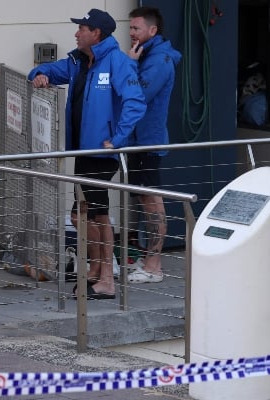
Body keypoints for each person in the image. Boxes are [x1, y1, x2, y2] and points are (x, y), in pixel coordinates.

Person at [28, 8, 146, 300]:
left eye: (81, 28)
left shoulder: (117, 62)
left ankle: (106, 278)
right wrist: (39, 74)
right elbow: (47, 69)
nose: (76, 33)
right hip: (83, 149)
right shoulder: (78, 61)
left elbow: (135, 103)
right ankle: (96, 270)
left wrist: (116, 139)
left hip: (101, 152)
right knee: (88, 213)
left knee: (93, 214)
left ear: (96, 33)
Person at [124, 7, 182, 284]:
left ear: (152, 30)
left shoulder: (159, 60)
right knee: (142, 198)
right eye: (130, 28)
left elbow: (139, 95)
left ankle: (154, 265)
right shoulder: (147, 53)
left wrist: (131, 65)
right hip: (137, 140)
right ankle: (144, 258)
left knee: (151, 200)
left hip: (148, 140)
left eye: (136, 28)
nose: (131, 33)